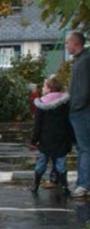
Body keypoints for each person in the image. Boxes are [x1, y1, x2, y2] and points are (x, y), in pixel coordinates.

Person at [30, 76, 74, 195]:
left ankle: (36, 184)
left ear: (49, 89)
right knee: (60, 163)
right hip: (61, 140)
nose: (43, 88)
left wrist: (34, 140)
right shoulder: (65, 103)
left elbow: (38, 125)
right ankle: (65, 186)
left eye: (44, 86)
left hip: (46, 140)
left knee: (41, 163)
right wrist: (72, 139)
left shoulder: (41, 104)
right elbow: (68, 123)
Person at [66, 31, 90, 197]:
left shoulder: (83, 62)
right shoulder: (82, 60)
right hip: (81, 110)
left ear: (75, 43)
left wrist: (74, 106)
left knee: (84, 149)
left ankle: (83, 184)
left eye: (68, 42)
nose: (66, 45)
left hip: (81, 112)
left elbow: (82, 91)